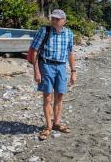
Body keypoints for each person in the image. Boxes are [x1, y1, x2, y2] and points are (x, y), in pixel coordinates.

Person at [30, 9, 76, 140]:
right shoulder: (44, 31)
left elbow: (71, 53)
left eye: (57, 19)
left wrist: (73, 72)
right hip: (46, 65)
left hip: (61, 66)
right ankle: (48, 126)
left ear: (64, 21)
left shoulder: (69, 33)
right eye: (53, 18)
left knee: (60, 96)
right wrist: (36, 71)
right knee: (47, 97)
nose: (54, 20)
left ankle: (56, 123)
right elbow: (34, 51)